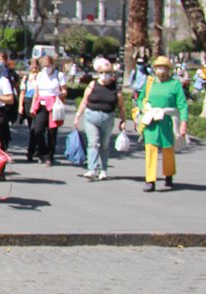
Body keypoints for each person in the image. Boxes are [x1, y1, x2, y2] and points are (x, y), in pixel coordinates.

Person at [137, 56, 189, 192]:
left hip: (167, 120)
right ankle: (150, 180)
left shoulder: (175, 84)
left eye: (164, 67)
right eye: (159, 67)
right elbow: (140, 99)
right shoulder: (149, 82)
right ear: (154, 68)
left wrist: (184, 122)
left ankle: (168, 174)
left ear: (168, 69)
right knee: (150, 148)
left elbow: (182, 105)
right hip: (151, 120)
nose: (161, 69)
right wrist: (144, 108)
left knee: (168, 148)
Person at [74, 57, 127, 181]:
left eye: (107, 73)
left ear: (111, 74)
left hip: (107, 119)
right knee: (94, 143)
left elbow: (121, 107)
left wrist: (123, 121)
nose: (104, 75)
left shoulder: (115, 88)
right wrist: (77, 116)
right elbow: (84, 101)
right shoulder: (93, 85)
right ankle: (91, 169)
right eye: (102, 73)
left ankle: (103, 170)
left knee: (104, 145)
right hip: (91, 117)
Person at [29, 55, 67, 167]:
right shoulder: (40, 75)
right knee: (38, 130)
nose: (46, 67)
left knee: (51, 132)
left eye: (48, 65)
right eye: (44, 65)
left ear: (52, 65)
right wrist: (32, 106)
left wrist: (61, 94)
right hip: (41, 105)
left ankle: (49, 156)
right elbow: (36, 92)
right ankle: (43, 152)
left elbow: (64, 90)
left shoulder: (58, 75)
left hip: (54, 105)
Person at [18, 59, 41, 159]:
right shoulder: (26, 77)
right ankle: (34, 149)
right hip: (28, 101)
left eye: (36, 66)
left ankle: (33, 150)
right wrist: (20, 105)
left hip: (38, 103)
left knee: (36, 128)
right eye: (32, 66)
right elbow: (22, 92)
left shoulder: (41, 77)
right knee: (32, 127)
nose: (34, 68)